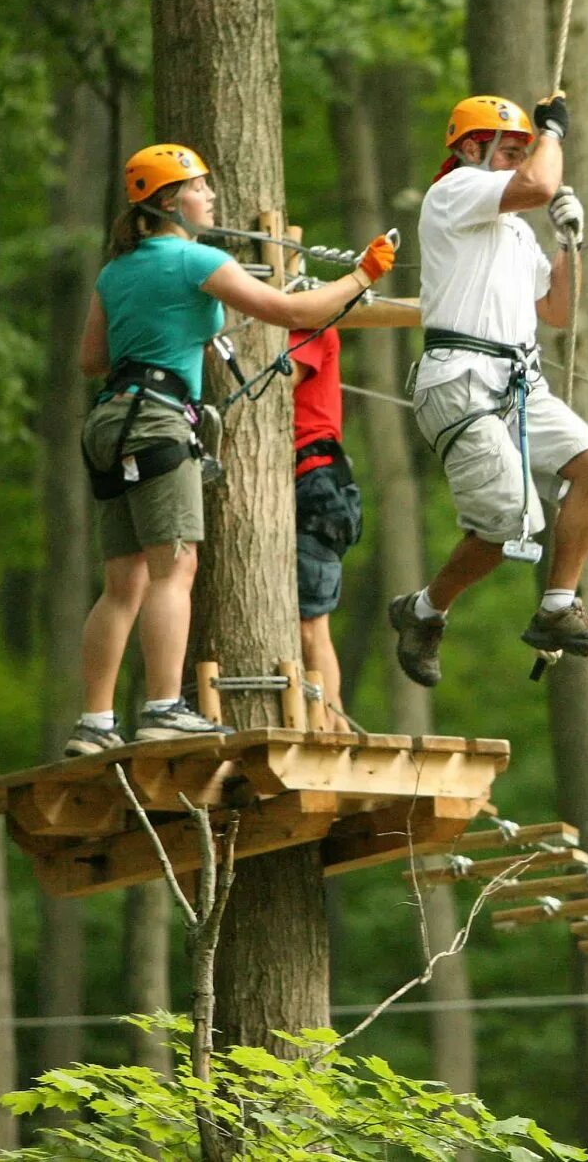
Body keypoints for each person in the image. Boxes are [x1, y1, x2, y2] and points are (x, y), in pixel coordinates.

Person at [65, 143, 397, 756]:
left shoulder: (116, 271)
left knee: (123, 583)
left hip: (111, 422)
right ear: (173, 202)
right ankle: (164, 708)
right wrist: (362, 276)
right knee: (175, 566)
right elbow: (291, 309)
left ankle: (93, 723)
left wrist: (160, 328)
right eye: (201, 188)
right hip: (158, 424)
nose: (211, 197)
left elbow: (92, 359)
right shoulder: (194, 260)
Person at [386, 92, 588, 688]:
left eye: (526, 151)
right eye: (511, 150)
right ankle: (424, 609)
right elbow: (539, 184)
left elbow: (559, 310)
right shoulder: (455, 192)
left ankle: (557, 608)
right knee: (509, 525)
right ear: (471, 147)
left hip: (519, 380)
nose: (522, 162)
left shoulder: (515, 233)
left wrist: (570, 243)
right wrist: (553, 134)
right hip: (460, 379)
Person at [290, 323, 361, 726]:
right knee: (309, 624)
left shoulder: (307, 324)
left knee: (309, 624)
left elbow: (274, 386)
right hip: (308, 483)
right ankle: (329, 721)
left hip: (318, 485)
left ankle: (330, 725)